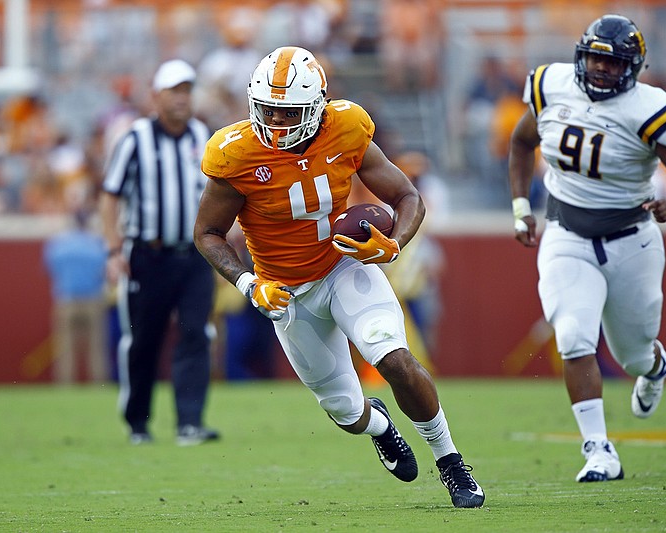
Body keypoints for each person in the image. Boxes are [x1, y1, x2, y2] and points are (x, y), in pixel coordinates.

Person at [194, 46, 484, 508]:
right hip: (285, 292)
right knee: (347, 411)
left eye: (288, 113)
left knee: (394, 360)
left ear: (317, 106)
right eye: (267, 110)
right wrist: (250, 285)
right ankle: (380, 426)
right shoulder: (235, 153)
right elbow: (207, 233)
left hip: (342, 267)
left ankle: (451, 462)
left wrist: (393, 245)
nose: (276, 123)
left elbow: (407, 196)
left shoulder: (346, 127)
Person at [508, 14, 666, 482]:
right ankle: (599, 450)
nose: (601, 69)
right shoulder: (551, 84)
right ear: (582, 56)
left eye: (612, 62)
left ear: (633, 68)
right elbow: (521, 143)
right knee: (574, 336)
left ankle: (654, 366)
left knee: (634, 353)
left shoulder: (652, 109)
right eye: (596, 58)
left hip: (631, 241)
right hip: (566, 234)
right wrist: (521, 207)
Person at [100, 59, 219, 446]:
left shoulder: (204, 135)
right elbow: (110, 195)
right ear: (156, 95)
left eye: (187, 90)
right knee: (143, 339)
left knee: (196, 334)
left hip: (196, 255)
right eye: (174, 90)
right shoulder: (135, 138)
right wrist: (114, 250)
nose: (182, 98)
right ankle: (138, 422)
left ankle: (189, 422)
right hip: (148, 255)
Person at [43, 209, 109, 384]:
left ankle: (65, 385)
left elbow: (50, 269)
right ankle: (98, 385)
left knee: (65, 348)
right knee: (97, 347)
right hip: (93, 299)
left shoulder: (58, 245)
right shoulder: (96, 243)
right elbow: (105, 270)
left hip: (67, 299)